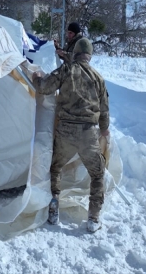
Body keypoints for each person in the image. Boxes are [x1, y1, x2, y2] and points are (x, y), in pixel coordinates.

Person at [32, 37, 110, 233]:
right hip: (88, 134)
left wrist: (35, 77)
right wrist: (104, 129)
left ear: (74, 53)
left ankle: (53, 206)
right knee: (97, 174)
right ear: (90, 56)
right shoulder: (98, 78)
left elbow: (43, 87)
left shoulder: (66, 70)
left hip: (65, 131)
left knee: (55, 168)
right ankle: (93, 218)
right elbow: (104, 110)